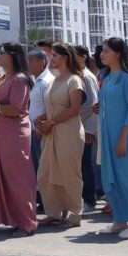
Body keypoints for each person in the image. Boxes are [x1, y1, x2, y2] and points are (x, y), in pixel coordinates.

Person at [0, 42, 37, 238]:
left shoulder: (19, 79)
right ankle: (14, 219)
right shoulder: (4, 78)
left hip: (14, 134)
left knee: (17, 179)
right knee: (3, 177)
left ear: (12, 55)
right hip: (0, 131)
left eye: (1, 52)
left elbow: (16, 109)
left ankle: (27, 223)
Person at [96, 37, 128, 239]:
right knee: (112, 177)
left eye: (106, 51)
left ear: (118, 53)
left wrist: (123, 137)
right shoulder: (107, 77)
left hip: (124, 135)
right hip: (107, 133)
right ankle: (120, 220)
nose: (102, 54)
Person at [36, 43, 85, 229]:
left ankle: (75, 213)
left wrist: (51, 121)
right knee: (45, 173)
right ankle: (54, 212)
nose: (51, 58)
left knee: (68, 173)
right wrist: (42, 118)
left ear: (65, 57)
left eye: (55, 55)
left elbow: (74, 109)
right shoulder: (55, 80)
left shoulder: (74, 80)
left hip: (68, 132)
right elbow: (52, 105)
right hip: (52, 131)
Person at [26, 49, 54, 213]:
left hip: (41, 130)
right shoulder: (35, 80)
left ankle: (47, 200)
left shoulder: (46, 81)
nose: (28, 64)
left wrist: (42, 125)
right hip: (33, 129)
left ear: (41, 62)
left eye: (30, 61)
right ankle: (41, 198)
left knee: (43, 167)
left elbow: (49, 106)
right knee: (36, 166)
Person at [74, 45, 101, 210]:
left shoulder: (87, 76)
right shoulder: (77, 75)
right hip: (78, 125)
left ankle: (90, 199)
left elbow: (93, 103)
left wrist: (89, 130)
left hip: (86, 126)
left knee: (86, 163)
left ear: (83, 57)